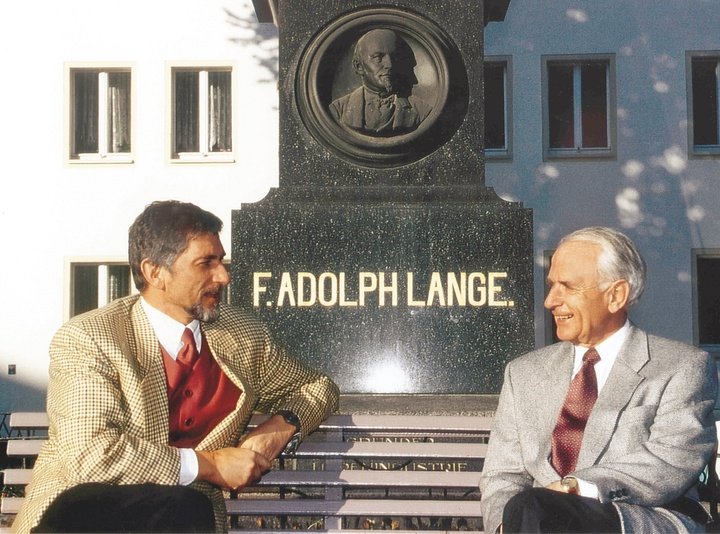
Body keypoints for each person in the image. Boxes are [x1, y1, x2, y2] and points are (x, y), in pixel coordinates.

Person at [14, 200, 339, 533]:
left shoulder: (241, 335)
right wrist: (208, 465)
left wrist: (279, 429)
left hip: (181, 521)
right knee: (185, 505)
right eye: (206, 263)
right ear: (155, 272)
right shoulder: (90, 338)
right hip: (83, 518)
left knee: (186, 508)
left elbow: (317, 387)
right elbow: (91, 455)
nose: (224, 276)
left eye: (222, 261)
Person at [480, 226, 718, 533]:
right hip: (536, 522)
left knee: (536, 507)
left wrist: (577, 487)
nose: (551, 300)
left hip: (631, 519)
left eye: (567, 286)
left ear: (616, 295)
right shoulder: (524, 374)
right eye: (552, 285)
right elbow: (503, 476)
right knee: (531, 508)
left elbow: (669, 462)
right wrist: (506, 526)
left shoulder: (681, 367)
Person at [329, 28, 432, 135]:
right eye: (378, 57)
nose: (389, 65)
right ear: (359, 66)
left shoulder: (421, 111)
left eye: (394, 57)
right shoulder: (338, 110)